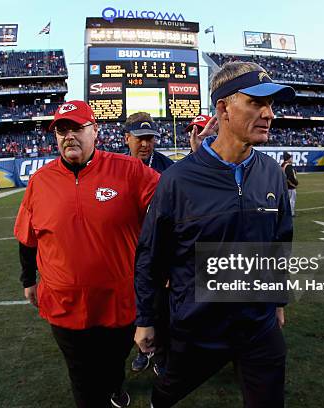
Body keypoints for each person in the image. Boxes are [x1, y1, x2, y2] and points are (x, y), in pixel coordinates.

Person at [134, 62, 294, 408]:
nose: (269, 113)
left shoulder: (271, 173)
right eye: (256, 102)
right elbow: (150, 257)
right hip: (198, 329)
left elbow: (281, 240)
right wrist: (146, 319)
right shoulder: (177, 181)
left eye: (271, 105)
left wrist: (278, 299)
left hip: (258, 325)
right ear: (223, 108)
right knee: (165, 396)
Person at [14, 100, 160, 408]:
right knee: (81, 377)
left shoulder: (129, 170)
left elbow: (173, 200)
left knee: (112, 364)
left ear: (95, 131)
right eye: (62, 130)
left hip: (118, 303)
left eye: (77, 128)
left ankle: (114, 385)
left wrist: (202, 153)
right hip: (63, 304)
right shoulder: (40, 182)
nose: (69, 136)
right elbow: (27, 238)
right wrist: (28, 279)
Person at [124, 112, 173, 376]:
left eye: (150, 139)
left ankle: (162, 352)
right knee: (135, 305)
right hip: (128, 250)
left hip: (159, 250)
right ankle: (143, 351)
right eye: (140, 139)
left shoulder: (168, 168)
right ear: (127, 138)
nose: (145, 144)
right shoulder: (115, 168)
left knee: (162, 306)